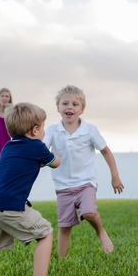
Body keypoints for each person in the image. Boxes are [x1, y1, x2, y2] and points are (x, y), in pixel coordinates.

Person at [0, 102, 66, 276]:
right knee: (45, 233)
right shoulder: (37, 146)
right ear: (35, 130)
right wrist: (55, 155)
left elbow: (23, 164)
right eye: (43, 127)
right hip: (10, 205)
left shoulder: (8, 147)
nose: (43, 131)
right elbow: (55, 163)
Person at [44, 85, 123, 258]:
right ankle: (61, 260)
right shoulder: (52, 130)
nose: (69, 107)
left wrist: (115, 176)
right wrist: (45, 159)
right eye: (65, 103)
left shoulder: (90, 130)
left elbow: (106, 151)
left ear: (82, 109)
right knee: (64, 226)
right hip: (63, 187)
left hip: (85, 183)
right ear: (58, 107)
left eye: (74, 104)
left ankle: (100, 231)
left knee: (88, 213)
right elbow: (42, 150)